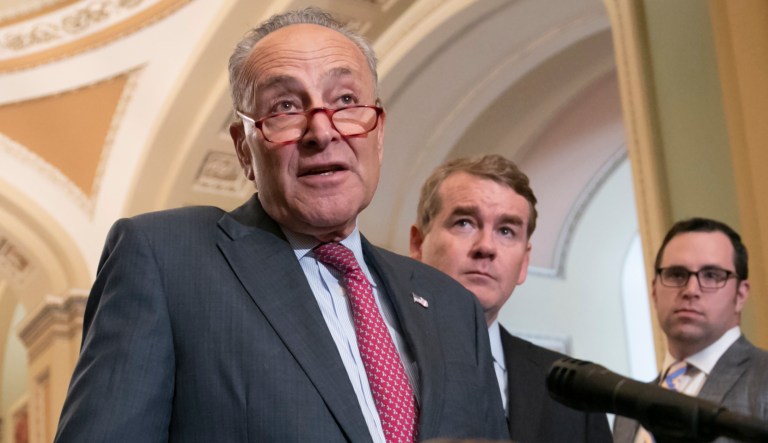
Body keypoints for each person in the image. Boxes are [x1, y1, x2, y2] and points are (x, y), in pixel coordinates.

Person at [53, 8, 509, 443]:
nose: (322, 131)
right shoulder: (166, 260)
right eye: (286, 107)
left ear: (379, 132)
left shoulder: (453, 307)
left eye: (346, 101)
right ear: (243, 150)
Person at [409, 154, 612, 443]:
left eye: (506, 231)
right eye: (464, 223)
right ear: (417, 244)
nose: (486, 247)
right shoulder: (372, 360)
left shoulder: (577, 396)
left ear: (525, 262)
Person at [613, 217, 768, 443]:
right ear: (654, 291)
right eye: (676, 274)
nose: (691, 290)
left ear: (740, 295)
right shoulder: (626, 411)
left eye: (712, 275)